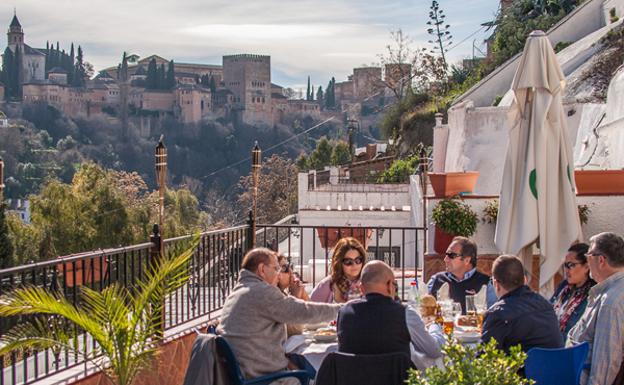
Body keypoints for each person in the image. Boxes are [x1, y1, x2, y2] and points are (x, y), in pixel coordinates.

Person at [217, 248, 341, 382]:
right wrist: (345, 309)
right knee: (325, 373)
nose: (279, 274)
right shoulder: (261, 292)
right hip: (264, 378)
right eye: (276, 268)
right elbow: (303, 311)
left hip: (244, 372)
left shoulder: (239, 291)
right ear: (262, 269)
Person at [337, 260, 445, 369]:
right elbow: (434, 351)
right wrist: (434, 326)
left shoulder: (344, 313)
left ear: (361, 288)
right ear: (389, 285)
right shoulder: (405, 314)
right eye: (395, 285)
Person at [568, 232, 624, 385]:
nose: (587, 260)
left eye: (589, 255)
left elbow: (605, 362)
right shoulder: (612, 293)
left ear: (601, 260)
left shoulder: (610, 302)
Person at [482, 255, 563, 353]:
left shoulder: (498, 314)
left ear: (496, 284)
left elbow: (484, 357)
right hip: (558, 366)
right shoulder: (545, 304)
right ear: (524, 280)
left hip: (525, 367)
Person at [427, 237, 491, 313]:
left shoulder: (486, 283)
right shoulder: (437, 279)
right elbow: (426, 310)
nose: (445, 259)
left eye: (451, 255)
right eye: (446, 254)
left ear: (467, 260)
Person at [550, 243, 596, 341]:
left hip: (573, 348)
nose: (566, 270)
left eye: (571, 265)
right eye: (564, 265)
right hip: (552, 344)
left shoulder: (592, 294)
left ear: (586, 267)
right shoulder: (564, 287)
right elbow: (548, 311)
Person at [311, 237, 366, 303]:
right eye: (348, 262)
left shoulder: (369, 282)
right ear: (339, 263)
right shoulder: (329, 284)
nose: (354, 265)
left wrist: (339, 300)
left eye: (358, 260)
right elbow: (310, 308)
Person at [277, 254, 309, 336]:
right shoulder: (273, 296)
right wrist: (296, 298)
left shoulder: (284, 293)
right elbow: (294, 331)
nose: (291, 271)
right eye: (285, 268)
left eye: (289, 266)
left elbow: (311, 315)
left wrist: (302, 293)